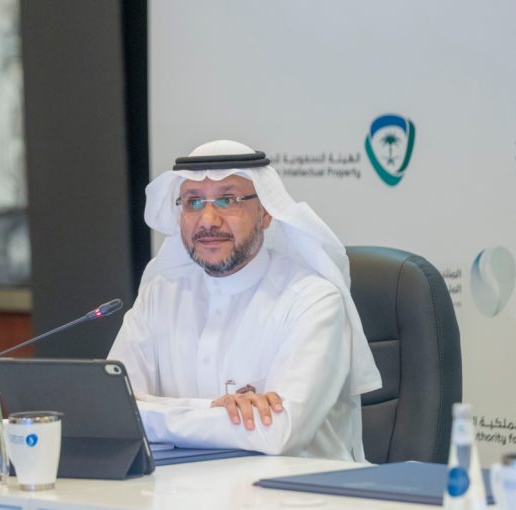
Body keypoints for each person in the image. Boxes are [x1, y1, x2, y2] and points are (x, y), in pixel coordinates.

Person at [108, 140, 382, 462]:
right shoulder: (159, 296)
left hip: (298, 487)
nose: (207, 220)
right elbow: (112, 411)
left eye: (227, 200)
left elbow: (280, 435)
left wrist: (152, 411)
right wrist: (212, 408)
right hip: (184, 485)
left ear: (266, 213)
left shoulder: (312, 300)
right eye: (193, 202)